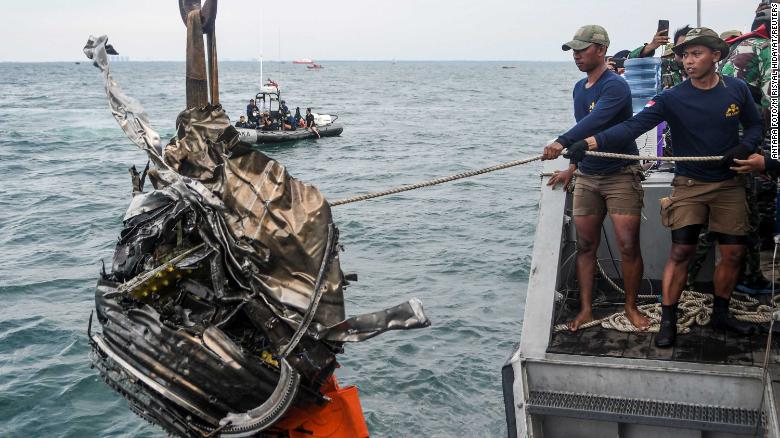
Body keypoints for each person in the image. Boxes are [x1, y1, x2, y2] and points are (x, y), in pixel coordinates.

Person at [569, 27, 764, 347]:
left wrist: (745, 146)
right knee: (681, 251)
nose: (688, 61)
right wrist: (585, 142)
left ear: (716, 55)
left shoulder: (738, 90)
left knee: (732, 253)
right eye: (684, 55)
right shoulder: (671, 97)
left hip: (730, 183)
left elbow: (755, 124)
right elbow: (632, 126)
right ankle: (669, 320)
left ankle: (721, 313)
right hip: (688, 184)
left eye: (696, 53)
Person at [541, 25, 650, 332]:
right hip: (588, 175)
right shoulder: (579, 88)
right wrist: (572, 167)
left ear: (600, 50)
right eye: (573, 50)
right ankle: (586, 309)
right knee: (586, 245)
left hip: (619, 175)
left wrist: (560, 141)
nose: (576, 55)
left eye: (581, 49)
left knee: (628, 245)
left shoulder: (616, 86)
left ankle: (631, 307)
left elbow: (598, 120)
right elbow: (584, 132)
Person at [720, 3, 775, 293]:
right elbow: (772, 104)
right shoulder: (768, 50)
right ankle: (749, 277)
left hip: (724, 138)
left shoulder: (737, 46)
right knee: (754, 210)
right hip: (752, 140)